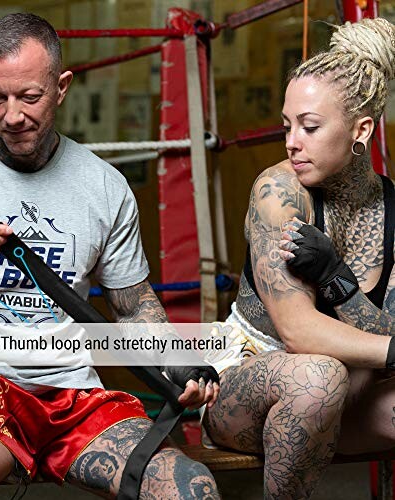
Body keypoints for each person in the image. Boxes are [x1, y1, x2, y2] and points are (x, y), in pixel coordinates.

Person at [0, 13, 221, 499]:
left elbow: (132, 306)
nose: (11, 116)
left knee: (189, 487)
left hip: (73, 395)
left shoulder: (104, 186)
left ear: (61, 86)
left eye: (30, 97)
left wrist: (180, 363)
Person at [202, 17, 394, 499]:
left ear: (361, 129)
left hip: (349, 393)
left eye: (309, 126)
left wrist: (337, 279)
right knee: (318, 375)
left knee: (332, 378)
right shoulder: (279, 191)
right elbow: (298, 332)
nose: (292, 141)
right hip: (248, 382)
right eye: (288, 125)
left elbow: (387, 329)